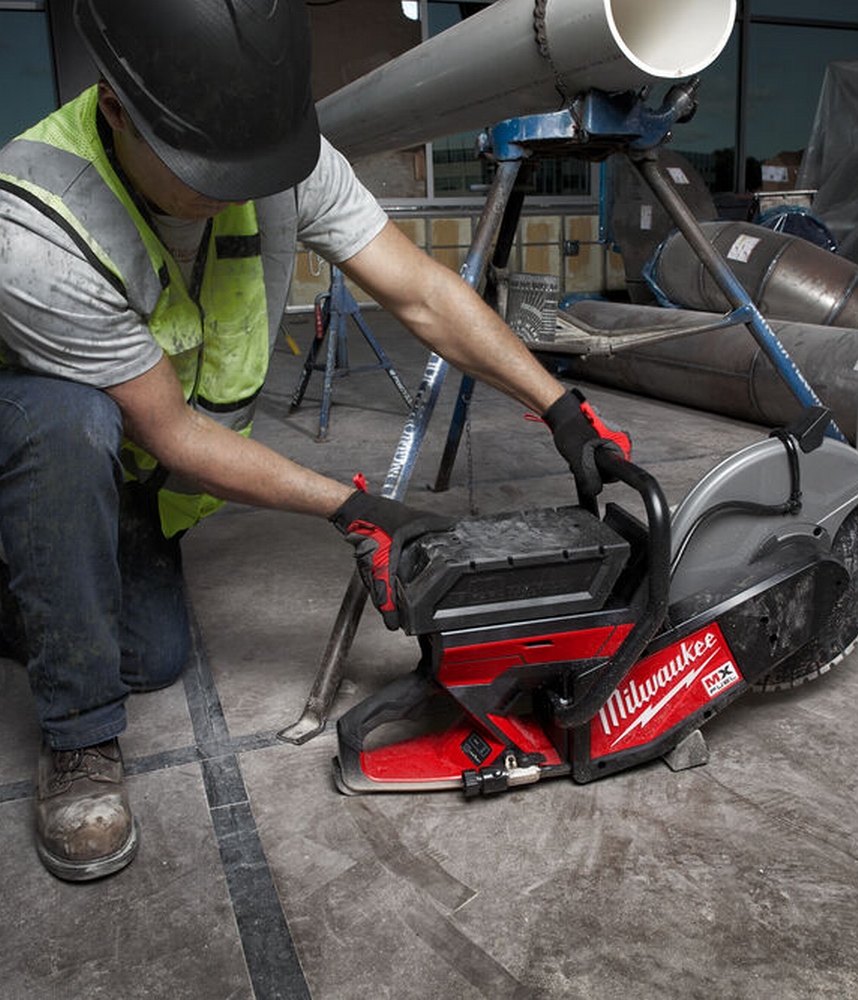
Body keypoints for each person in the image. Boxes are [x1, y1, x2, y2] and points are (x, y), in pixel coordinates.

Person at [0, 0, 631, 882]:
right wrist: (350, 506)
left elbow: (421, 294)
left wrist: (560, 406)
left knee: (151, 658)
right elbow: (172, 430)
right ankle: (77, 737)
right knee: (68, 422)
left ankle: (45, 576)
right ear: (116, 107)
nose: (237, 190)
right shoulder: (33, 228)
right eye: (207, 169)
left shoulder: (274, 151)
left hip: (136, 471)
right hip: (46, 439)